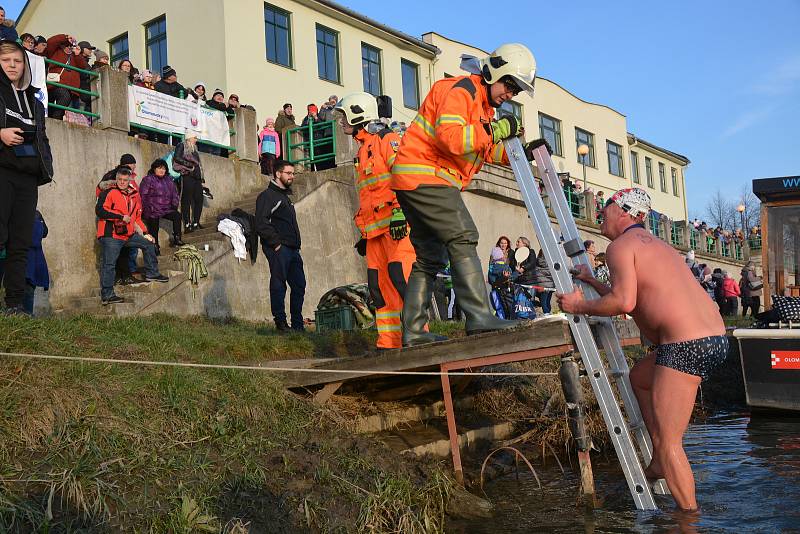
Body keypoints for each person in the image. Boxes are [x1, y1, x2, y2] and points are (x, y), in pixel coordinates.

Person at [556, 187, 726, 511]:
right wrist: (592, 284)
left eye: (604, 207)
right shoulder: (657, 246)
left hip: (685, 345)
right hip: (714, 340)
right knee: (640, 377)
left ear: (622, 211)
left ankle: (688, 520)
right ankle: (661, 459)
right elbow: (635, 297)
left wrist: (580, 305)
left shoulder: (620, 246)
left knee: (671, 443)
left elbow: (624, 302)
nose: (599, 214)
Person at [390, 43, 548, 345]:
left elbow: (484, 148)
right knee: (463, 236)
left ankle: (412, 332)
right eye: (510, 85)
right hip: (426, 176)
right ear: (496, 73)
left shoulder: (481, 107)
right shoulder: (462, 91)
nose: (510, 94)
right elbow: (451, 140)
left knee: (429, 259)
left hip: (417, 179)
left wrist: (523, 152)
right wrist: (498, 129)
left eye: (516, 90)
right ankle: (479, 317)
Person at [334, 91, 417, 349]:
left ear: (359, 114)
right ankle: (389, 342)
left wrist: (401, 212)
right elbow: (370, 195)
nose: (341, 122)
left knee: (400, 280)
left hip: (397, 226)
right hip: (374, 233)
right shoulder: (361, 151)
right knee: (377, 288)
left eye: (344, 116)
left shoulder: (387, 140)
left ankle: (417, 336)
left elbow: (405, 176)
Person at [0, 40, 53, 314]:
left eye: (17, 61)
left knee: (21, 243)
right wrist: (0, 134)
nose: (12, 65)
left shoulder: (35, 100)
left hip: (28, 178)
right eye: (6, 60)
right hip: (3, 172)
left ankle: (15, 305)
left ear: (25, 65)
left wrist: (46, 167)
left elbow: (42, 137)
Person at [96, 167, 168, 304]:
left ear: (129, 180)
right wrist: (119, 217)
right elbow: (99, 211)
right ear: (116, 179)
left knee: (148, 244)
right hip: (110, 235)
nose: (122, 182)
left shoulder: (134, 195)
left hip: (127, 235)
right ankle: (107, 295)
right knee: (109, 264)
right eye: (120, 180)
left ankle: (152, 274)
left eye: (125, 180)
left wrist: (146, 233)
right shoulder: (109, 192)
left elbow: (137, 218)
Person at [255, 160, 305, 332]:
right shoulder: (267, 196)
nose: (292, 176)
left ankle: (298, 325)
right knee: (278, 285)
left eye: (293, 173)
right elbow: (260, 223)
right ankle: (281, 323)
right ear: (278, 174)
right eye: (288, 173)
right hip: (279, 248)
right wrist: (276, 244)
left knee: (299, 285)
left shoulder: (285, 197)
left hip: (293, 249)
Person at [139, 158, 183, 253]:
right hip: (153, 209)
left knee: (177, 215)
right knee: (153, 221)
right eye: (159, 168)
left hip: (166, 209)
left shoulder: (169, 180)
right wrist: (146, 210)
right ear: (154, 169)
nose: (162, 170)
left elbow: (175, 194)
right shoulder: (148, 179)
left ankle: (177, 238)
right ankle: (155, 246)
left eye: (163, 168)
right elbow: (143, 195)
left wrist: (174, 205)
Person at [44, 34, 88, 119]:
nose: (69, 47)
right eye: (67, 45)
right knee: (63, 97)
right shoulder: (56, 51)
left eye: (71, 46)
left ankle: (56, 118)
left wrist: (77, 54)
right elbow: (50, 42)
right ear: (62, 45)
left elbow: (82, 66)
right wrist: (65, 37)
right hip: (55, 84)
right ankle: (56, 118)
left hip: (72, 89)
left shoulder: (74, 55)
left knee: (66, 109)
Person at [173, 132, 204, 232]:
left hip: (197, 177)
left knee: (199, 199)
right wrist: (189, 165)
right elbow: (176, 158)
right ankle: (187, 224)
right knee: (186, 200)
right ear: (189, 137)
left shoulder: (195, 148)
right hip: (187, 175)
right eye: (195, 137)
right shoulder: (181, 145)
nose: (196, 139)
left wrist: (201, 176)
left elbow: (199, 164)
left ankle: (196, 222)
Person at [531, 248, 554, 314]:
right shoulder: (550, 263)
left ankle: (547, 313)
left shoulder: (537, 262)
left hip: (542, 284)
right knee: (546, 301)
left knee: (544, 301)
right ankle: (547, 313)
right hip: (549, 285)